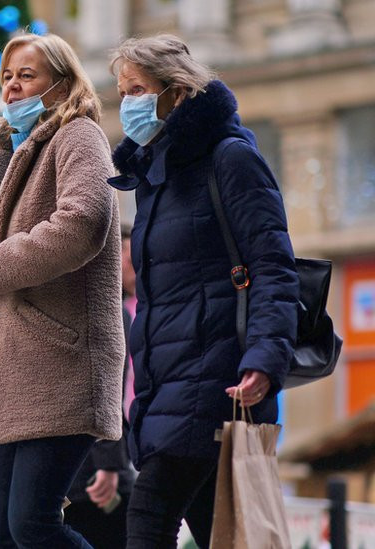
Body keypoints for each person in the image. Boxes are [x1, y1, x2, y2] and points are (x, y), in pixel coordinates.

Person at [106, 34, 299, 548]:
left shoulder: (229, 158)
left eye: (138, 88)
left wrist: (264, 356)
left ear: (177, 92)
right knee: (221, 533)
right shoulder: (156, 176)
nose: (129, 103)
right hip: (169, 381)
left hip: (215, 376)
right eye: (123, 91)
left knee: (148, 521)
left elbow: (274, 265)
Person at [0, 32, 125, 548]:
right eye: (7, 77)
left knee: (32, 524)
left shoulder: (78, 135)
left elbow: (82, 222)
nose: (13, 88)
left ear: (61, 84)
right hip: (9, 378)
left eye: (28, 75)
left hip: (59, 365)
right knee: (6, 536)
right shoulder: (14, 153)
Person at [63, 230, 137, 549]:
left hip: (87, 462)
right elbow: (106, 390)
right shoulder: (108, 309)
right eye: (128, 257)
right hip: (94, 466)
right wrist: (110, 463)